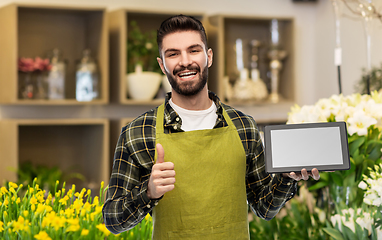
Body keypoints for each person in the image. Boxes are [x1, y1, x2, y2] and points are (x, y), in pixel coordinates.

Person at [102, 15, 320, 239]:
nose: (185, 61)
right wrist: (148, 193)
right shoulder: (138, 132)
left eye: (193, 50)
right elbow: (112, 220)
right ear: (162, 65)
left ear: (209, 57)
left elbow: (264, 208)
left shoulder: (244, 126)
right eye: (173, 54)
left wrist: (285, 178)